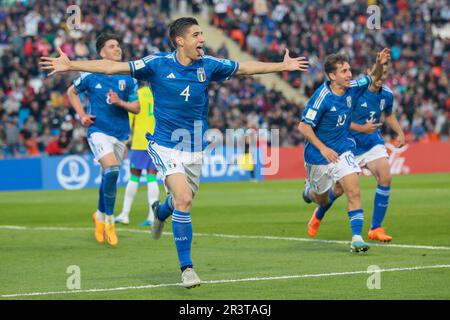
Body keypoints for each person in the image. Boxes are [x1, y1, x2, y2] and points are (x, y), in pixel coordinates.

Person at [40, 16, 308, 289]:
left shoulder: (209, 65)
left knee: (180, 200)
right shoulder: (156, 64)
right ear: (180, 41)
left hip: (193, 148)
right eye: (195, 35)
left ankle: (159, 211)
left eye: (202, 33)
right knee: (183, 199)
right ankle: (187, 268)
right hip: (165, 145)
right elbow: (111, 68)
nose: (201, 39)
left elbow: (245, 68)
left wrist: (282, 66)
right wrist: (71, 64)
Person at [298, 49, 390, 253]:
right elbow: (303, 127)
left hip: (342, 150)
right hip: (317, 156)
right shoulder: (322, 98)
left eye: (349, 70)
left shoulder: (352, 88)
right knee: (321, 198)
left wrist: (379, 62)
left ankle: (356, 237)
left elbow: (373, 76)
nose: (349, 74)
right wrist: (322, 148)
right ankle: (309, 191)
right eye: (343, 71)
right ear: (332, 76)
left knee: (353, 190)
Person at [66, 33, 140, 246]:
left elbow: (137, 107)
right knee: (113, 170)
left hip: (120, 134)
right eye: (112, 46)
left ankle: (98, 215)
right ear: (102, 52)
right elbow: (71, 92)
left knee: (109, 176)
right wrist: (82, 115)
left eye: (118, 45)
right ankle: (109, 221)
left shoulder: (128, 77)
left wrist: (120, 103)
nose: (118, 49)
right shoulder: (91, 74)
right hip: (98, 130)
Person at [115, 84, 160, 227]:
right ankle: (152, 216)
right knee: (152, 177)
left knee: (134, 176)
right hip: (157, 141)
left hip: (140, 141)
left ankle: (125, 214)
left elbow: (129, 118)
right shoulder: (161, 92)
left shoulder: (138, 94)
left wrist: (124, 141)